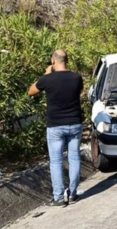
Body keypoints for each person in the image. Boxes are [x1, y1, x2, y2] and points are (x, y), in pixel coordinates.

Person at [28, 50, 84, 206]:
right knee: (74, 158)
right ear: (67, 60)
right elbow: (77, 92)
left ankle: (59, 197)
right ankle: (72, 194)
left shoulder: (48, 79)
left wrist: (46, 75)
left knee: (56, 162)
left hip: (55, 126)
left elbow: (31, 92)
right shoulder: (77, 78)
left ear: (53, 61)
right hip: (75, 123)